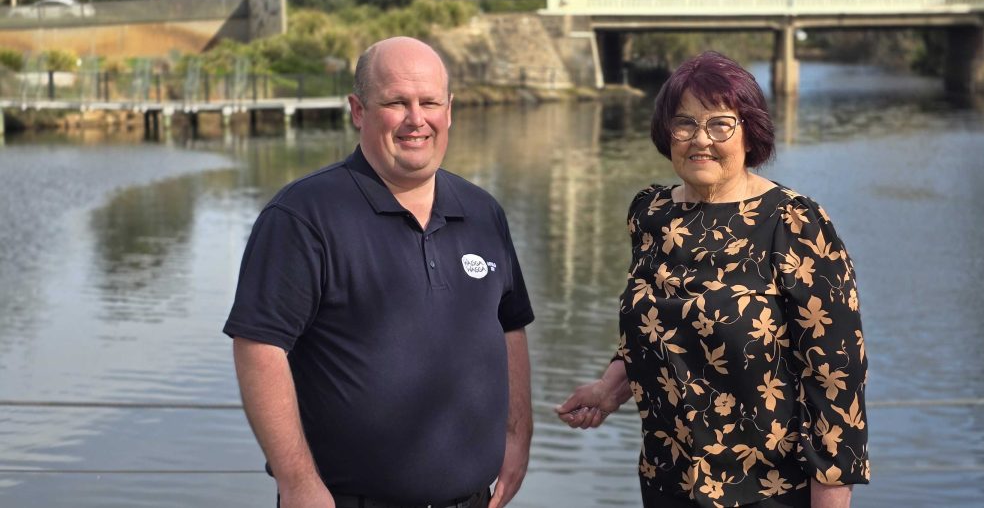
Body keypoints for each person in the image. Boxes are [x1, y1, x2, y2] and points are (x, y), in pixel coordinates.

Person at [224, 37, 534, 508]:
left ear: (448, 110)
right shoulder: (303, 215)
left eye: (429, 102)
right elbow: (259, 348)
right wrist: (298, 482)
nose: (417, 119)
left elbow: (510, 325)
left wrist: (517, 436)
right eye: (396, 102)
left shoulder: (483, 211)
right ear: (357, 110)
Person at [556, 51, 869, 508]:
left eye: (720, 124)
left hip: (768, 493)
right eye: (684, 124)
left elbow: (836, 380)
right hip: (667, 484)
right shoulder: (651, 214)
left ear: (749, 132)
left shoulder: (793, 223)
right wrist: (610, 388)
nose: (700, 140)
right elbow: (653, 328)